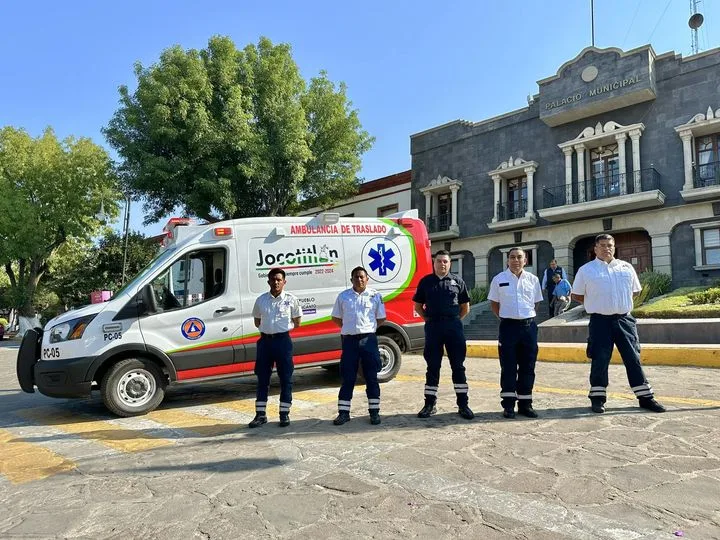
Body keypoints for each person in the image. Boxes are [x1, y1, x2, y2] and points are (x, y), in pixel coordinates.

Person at [571, 234, 666, 414]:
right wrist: (597, 303)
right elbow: (577, 295)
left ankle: (646, 398)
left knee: (633, 358)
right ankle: (598, 399)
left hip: (624, 320)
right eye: (603, 245)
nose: (607, 248)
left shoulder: (626, 267)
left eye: (610, 245)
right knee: (600, 359)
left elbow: (634, 292)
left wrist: (619, 304)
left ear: (614, 248)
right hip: (600, 321)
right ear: (596, 248)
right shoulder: (586, 270)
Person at [412, 250, 474, 420]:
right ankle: (429, 404)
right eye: (439, 261)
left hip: (453, 327)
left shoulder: (458, 281)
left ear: (450, 263)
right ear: (434, 262)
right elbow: (418, 306)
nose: (442, 264)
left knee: (458, 367)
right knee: (432, 366)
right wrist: (429, 320)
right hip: (433, 327)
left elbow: (465, 307)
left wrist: (453, 321)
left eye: (445, 261)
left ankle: (463, 405)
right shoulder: (426, 282)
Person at [488, 248, 544, 419]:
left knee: (528, 366)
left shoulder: (533, 280)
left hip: (528, 327)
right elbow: (494, 304)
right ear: (507, 260)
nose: (516, 260)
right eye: (512, 257)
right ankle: (509, 405)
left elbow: (536, 304)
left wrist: (524, 318)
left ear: (525, 260)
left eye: (519, 257)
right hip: (508, 328)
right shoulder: (499, 279)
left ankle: (526, 404)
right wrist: (508, 319)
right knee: (508, 367)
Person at [331, 266, 386, 426]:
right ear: (351, 279)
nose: (359, 279)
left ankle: (374, 412)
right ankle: (343, 413)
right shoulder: (343, 296)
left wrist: (367, 329)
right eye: (356, 277)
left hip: (368, 340)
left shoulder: (375, 296)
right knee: (348, 377)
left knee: (371, 377)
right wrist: (350, 328)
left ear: (367, 279)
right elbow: (336, 318)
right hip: (349, 341)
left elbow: (380, 318)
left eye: (362, 277)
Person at [249, 268, 302, 428]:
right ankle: (260, 415)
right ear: (268, 282)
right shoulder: (261, 300)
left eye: (279, 279)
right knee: (262, 379)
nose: (276, 282)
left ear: (284, 282)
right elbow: (257, 321)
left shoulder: (291, 300)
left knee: (286, 378)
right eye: (273, 279)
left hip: (283, 342)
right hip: (265, 342)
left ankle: (284, 414)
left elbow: (297, 321)